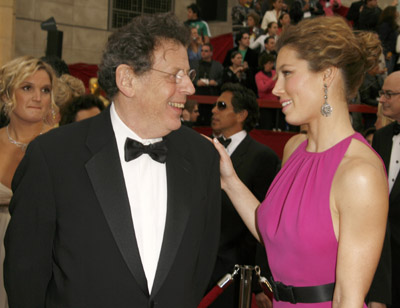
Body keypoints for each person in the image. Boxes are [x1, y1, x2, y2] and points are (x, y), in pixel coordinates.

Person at [4, 13, 221, 308]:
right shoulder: (53, 157)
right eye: (175, 75)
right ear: (127, 79)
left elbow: (201, 266)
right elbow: (25, 273)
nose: (190, 88)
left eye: (189, 75)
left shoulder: (202, 156)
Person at [211, 16, 388, 307]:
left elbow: (349, 299)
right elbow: (275, 236)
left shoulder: (359, 173)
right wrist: (229, 181)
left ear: (327, 75)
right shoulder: (294, 149)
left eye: (287, 73)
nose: (276, 88)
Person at [208, 83, 280, 308]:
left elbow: (262, 218)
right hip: (195, 262)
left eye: (221, 106)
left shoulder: (263, 156)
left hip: (234, 270)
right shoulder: (203, 148)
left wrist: (259, 282)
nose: (213, 110)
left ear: (241, 114)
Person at [0, 55, 57, 308]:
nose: (38, 97)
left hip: (44, 260)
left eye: (45, 90)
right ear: (6, 95)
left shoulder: (64, 146)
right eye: (27, 88)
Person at [373, 71, 400, 308]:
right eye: (382, 93)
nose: (382, 100)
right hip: (379, 256)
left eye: (388, 94)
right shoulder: (380, 138)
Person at [377, 5, 399, 74]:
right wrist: (386, 52)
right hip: (388, 53)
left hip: (392, 53)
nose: (397, 13)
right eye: (396, 11)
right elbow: (381, 40)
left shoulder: (393, 25)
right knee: (387, 73)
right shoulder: (385, 25)